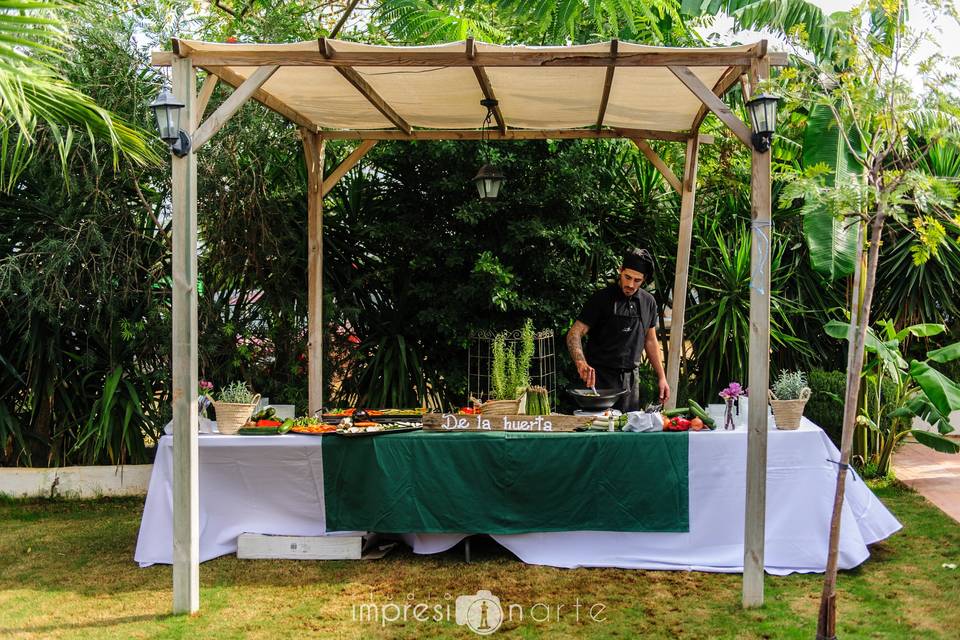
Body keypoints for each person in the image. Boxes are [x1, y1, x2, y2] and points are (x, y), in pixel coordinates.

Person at [566, 248, 670, 412]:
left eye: (637, 280)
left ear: (644, 280)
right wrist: (580, 361)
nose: (630, 284)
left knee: (627, 431)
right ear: (620, 270)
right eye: (627, 277)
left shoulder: (648, 302)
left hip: (631, 382)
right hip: (599, 380)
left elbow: (650, 340)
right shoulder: (601, 299)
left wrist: (662, 377)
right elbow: (575, 332)